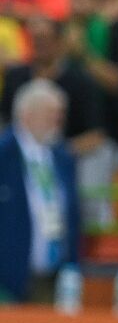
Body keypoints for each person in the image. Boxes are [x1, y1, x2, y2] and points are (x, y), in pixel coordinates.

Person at [0, 79, 79, 304]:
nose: (58, 121)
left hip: (53, 275)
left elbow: (72, 215)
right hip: (8, 277)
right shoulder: (3, 156)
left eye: (60, 114)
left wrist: (72, 265)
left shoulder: (62, 157)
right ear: (26, 115)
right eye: (51, 114)